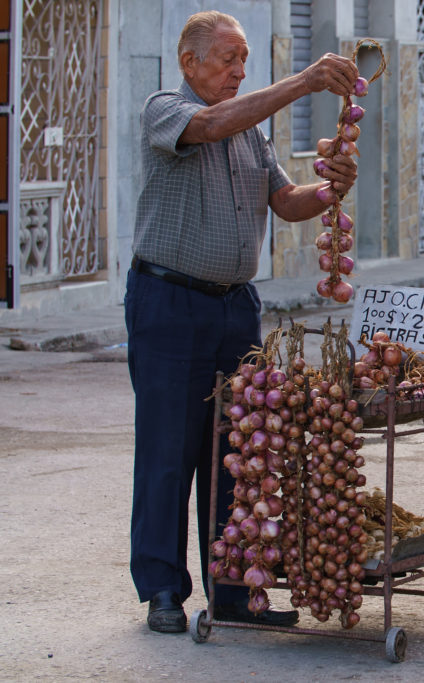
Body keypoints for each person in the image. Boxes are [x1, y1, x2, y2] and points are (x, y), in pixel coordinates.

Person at [127, 10, 360, 633]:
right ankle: (162, 591)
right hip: (169, 303)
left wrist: (329, 190)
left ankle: (231, 592)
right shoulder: (168, 110)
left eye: (244, 61)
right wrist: (304, 82)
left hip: (235, 306)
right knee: (168, 451)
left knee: (238, 452)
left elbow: (287, 202)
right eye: (228, 59)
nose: (238, 71)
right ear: (190, 63)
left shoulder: (253, 135)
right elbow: (207, 125)